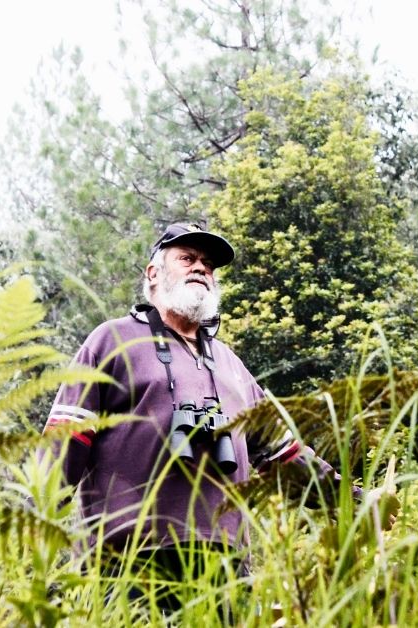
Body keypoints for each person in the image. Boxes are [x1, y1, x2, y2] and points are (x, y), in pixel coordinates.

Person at [42, 222, 346, 610]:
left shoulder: (231, 364)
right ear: (153, 274)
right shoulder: (111, 340)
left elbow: (284, 457)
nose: (200, 268)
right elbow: (63, 445)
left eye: (208, 264)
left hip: (223, 566)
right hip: (126, 562)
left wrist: (350, 498)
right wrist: (31, 528)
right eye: (187, 258)